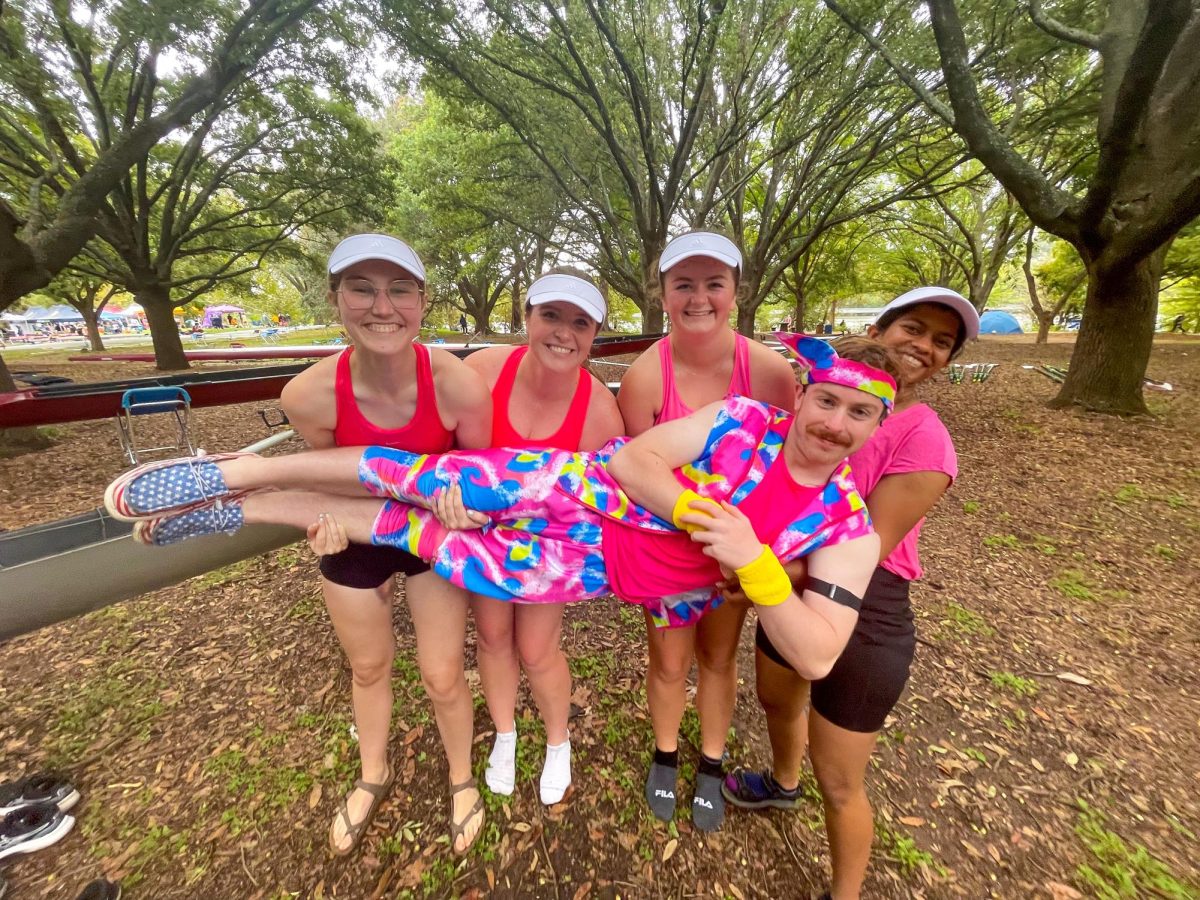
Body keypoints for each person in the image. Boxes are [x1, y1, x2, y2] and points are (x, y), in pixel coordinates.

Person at [104, 339, 898, 686]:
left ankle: (246, 511)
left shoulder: (846, 526)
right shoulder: (742, 420)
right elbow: (632, 458)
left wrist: (752, 557)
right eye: (826, 400)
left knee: (420, 534)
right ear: (805, 395)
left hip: (592, 568)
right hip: (576, 486)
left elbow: (820, 653)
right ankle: (237, 469)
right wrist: (703, 515)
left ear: (876, 427)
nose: (833, 423)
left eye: (856, 414)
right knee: (416, 477)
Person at [721, 286, 979, 900]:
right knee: (777, 702)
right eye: (914, 328)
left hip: (862, 605)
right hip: (781, 577)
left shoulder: (924, 439)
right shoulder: (826, 398)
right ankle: (782, 785)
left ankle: (846, 893)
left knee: (839, 781)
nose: (925, 346)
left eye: (943, 342)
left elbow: (871, 544)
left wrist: (752, 575)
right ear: (881, 328)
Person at [265, 233, 493, 856]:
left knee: (443, 673)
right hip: (358, 534)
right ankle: (374, 773)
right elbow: (326, 478)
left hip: (432, 536)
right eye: (362, 288)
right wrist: (323, 527)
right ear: (337, 298)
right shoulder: (307, 396)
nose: (382, 306)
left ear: (422, 302)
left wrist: (464, 506)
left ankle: (461, 777)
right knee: (367, 665)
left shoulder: (458, 386)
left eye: (399, 290)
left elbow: (485, 480)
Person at [617, 230, 796, 830]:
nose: (699, 298)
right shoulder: (646, 377)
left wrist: (756, 557)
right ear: (663, 293)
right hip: (663, 557)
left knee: (718, 658)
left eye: (713, 284)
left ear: (735, 292)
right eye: (683, 285)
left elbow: (790, 471)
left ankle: (712, 763)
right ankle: (666, 754)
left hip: (734, 556)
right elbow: (630, 480)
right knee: (668, 661)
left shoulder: (768, 374)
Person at [454, 273, 624, 804]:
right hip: (478, 536)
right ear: (526, 318)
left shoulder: (598, 410)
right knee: (491, 638)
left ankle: (558, 740)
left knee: (537, 647)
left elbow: (598, 504)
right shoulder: (482, 371)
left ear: (594, 334)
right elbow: (445, 451)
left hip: (545, 546)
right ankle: (505, 733)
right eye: (551, 316)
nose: (563, 333)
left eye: (580, 323)